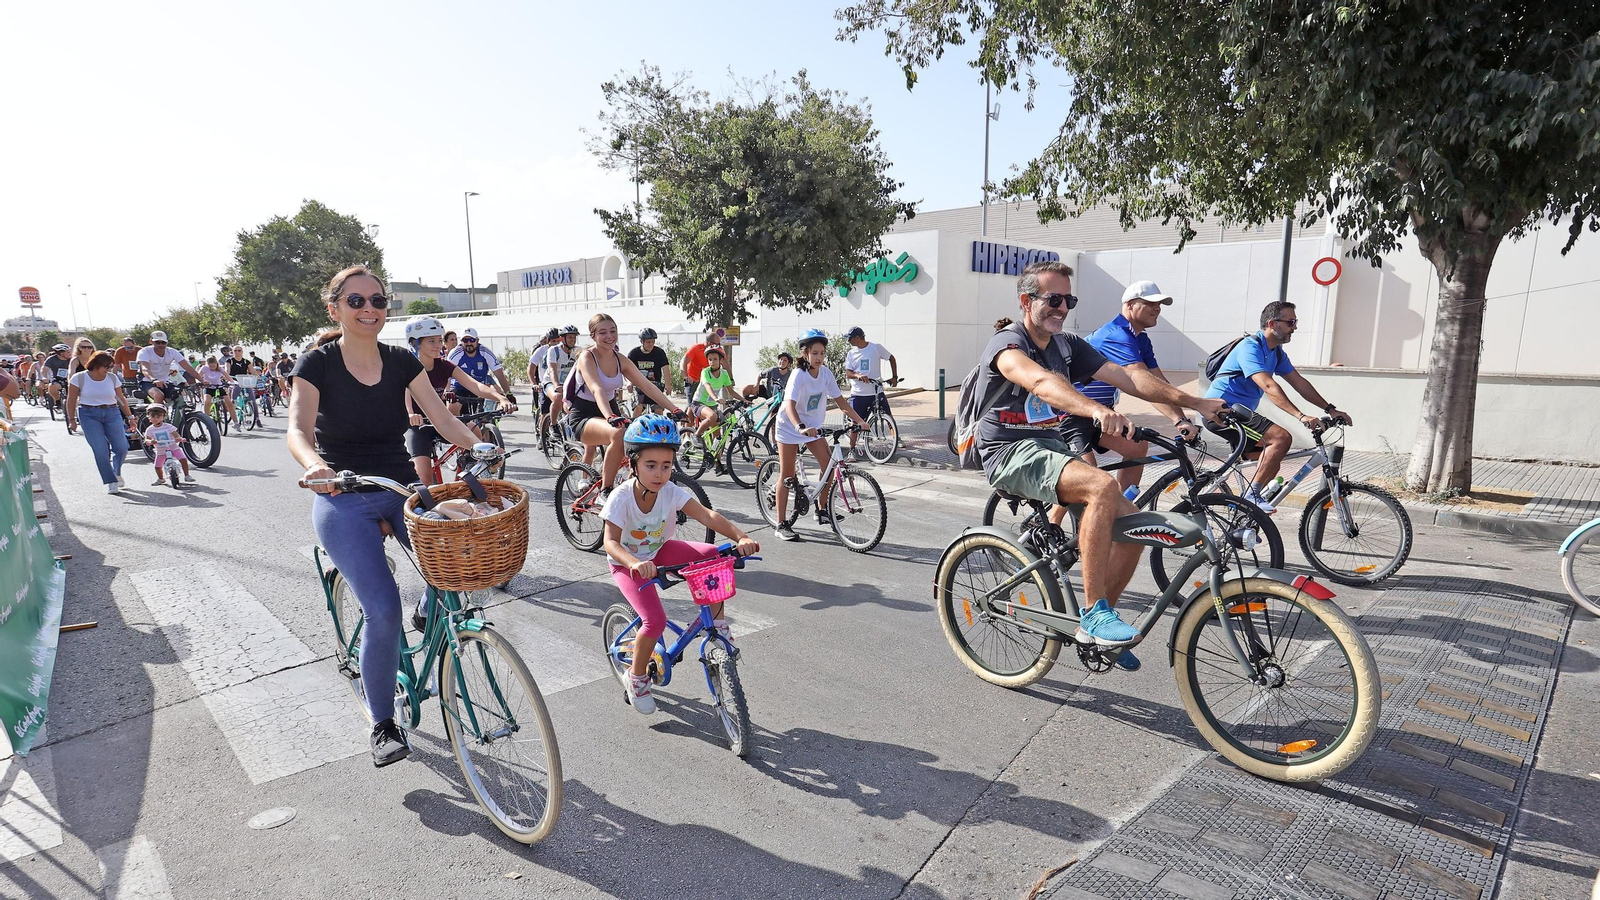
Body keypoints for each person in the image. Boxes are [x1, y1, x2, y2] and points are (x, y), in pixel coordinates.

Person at [975, 261, 1224, 668]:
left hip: (1051, 447)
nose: (1062, 307)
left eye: (1068, 300)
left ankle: (1097, 628)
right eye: (1053, 299)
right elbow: (1040, 382)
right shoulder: (1008, 344)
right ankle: (1093, 614)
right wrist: (1094, 409)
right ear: (1026, 301)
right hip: (1008, 450)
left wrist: (1196, 403)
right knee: (1102, 486)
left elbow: (1129, 378)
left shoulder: (1068, 345)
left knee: (1134, 529)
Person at [288, 265, 485, 768]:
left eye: (377, 300)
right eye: (356, 301)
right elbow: (297, 431)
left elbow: (442, 419)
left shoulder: (401, 361)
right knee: (382, 610)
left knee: (456, 562)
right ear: (335, 308)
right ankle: (383, 724)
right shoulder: (317, 363)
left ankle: (430, 605)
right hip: (343, 493)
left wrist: (479, 446)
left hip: (402, 487)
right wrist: (317, 468)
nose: (369, 309)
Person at [602, 415, 760, 715]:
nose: (659, 474)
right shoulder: (621, 498)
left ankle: (718, 624)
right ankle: (636, 679)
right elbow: (610, 542)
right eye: (651, 465)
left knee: (714, 554)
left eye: (666, 465)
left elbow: (707, 515)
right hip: (628, 564)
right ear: (632, 463)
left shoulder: (670, 491)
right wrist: (635, 563)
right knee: (655, 621)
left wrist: (741, 536)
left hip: (660, 551)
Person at [1203, 300, 1352, 512]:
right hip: (1221, 412)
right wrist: (1300, 416)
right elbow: (1268, 385)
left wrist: (1330, 409)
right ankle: (1251, 497)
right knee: (1281, 438)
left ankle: (1243, 512)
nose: (1295, 327)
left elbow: (1299, 383)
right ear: (1272, 324)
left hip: (1240, 414)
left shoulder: (1276, 352)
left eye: (1295, 322)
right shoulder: (1250, 347)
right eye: (1291, 322)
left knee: (1272, 461)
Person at [1075, 281, 1199, 493]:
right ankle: (1052, 524)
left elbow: (1159, 384)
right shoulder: (1116, 334)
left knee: (1137, 447)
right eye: (1150, 303)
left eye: (1160, 304)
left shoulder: (1140, 338)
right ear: (1130, 305)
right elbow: (1142, 385)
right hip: (1070, 413)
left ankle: (1121, 511)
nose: (1157, 308)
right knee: (1087, 483)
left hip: (1101, 414)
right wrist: (1193, 408)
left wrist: (1181, 420)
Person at [565, 314, 684, 501]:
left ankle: (632, 482)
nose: (609, 336)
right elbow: (597, 389)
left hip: (610, 410)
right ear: (593, 335)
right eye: (603, 332)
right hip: (584, 415)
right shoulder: (587, 357)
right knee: (618, 434)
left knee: (643, 437)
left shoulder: (620, 359)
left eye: (613, 331)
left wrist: (674, 408)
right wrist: (610, 416)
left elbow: (647, 386)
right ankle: (606, 490)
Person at [771, 329, 871, 542]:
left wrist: (860, 421)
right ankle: (781, 523)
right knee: (787, 475)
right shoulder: (799, 374)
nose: (819, 357)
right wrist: (799, 426)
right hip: (790, 427)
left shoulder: (825, 374)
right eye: (815, 353)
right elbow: (789, 404)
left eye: (822, 353)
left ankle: (821, 509)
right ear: (805, 353)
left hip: (813, 427)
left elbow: (841, 402)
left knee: (829, 465)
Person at [404, 316, 511, 485]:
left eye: (439, 340)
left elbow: (475, 385)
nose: (438, 345)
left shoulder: (444, 365)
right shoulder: (409, 365)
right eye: (431, 341)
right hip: (418, 426)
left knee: (473, 429)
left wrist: (501, 397)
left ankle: (468, 464)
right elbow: (406, 392)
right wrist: (411, 413)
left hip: (441, 422)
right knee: (423, 480)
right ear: (415, 343)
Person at [66, 351, 137, 493]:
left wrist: (130, 417)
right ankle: (111, 481)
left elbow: (121, 398)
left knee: (122, 447)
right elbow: (71, 399)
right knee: (100, 450)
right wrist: (72, 420)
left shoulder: (112, 378)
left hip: (112, 412)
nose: (109, 369)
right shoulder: (79, 378)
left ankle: (116, 472)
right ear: (96, 364)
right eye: (106, 366)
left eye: (110, 366)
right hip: (88, 414)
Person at [842, 326, 899, 458]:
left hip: (876, 391)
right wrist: (858, 376)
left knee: (888, 416)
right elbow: (848, 373)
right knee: (855, 423)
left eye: (849, 338)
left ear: (857, 337)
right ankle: (852, 450)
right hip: (859, 393)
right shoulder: (851, 353)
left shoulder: (875, 347)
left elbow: (891, 358)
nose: (848, 341)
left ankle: (896, 439)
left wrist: (894, 376)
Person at [447, 327, 515, 410]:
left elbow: (499, 374)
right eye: (465, 340)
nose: (469, 343)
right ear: (461, 342)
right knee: (453, 408)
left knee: (481, 417)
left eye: (472, 340)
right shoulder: (456, 353)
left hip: (478, 389)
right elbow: (446, 374)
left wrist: (508, 393)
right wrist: (447, 391)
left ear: (477, 340)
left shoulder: (485, 352)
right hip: (459, 388)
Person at [136, 331, 198, 405]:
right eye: (157, 342)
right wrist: (154, 379)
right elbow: (145, 369)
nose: (160, 345)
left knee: (178, 397)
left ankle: (173, 415)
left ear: (167, 342)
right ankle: (156, 415)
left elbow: (187, 367)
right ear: (151, 341)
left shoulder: (172, 352)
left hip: (165, 381)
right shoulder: (144, 352)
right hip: (147, 381)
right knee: (159, 396)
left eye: (163, 342)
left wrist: (202, 380)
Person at [541, 325, 580, 441]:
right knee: (558, 397)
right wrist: (557, 385)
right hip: (551, 382)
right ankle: (553, 426)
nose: (573, 340)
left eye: (574, 337)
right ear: (562, 339)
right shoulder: (554, 350)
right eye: (570, 337)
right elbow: (552, 370)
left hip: (569, 384)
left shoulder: (578, 350)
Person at [691, 347, 736, 438]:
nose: (712, 362)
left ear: (721, 360)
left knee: (717, 437)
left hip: (712, 405)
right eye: (710, 359)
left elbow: (732, 391)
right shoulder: (705, 372)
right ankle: (697, 435)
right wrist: (716, 398)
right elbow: (708, 386)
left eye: (715, 359)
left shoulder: (724, 374)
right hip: (699, 403)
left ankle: (715, 452)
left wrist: (744, 400)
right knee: (712, 416)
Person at [142, 404, 193, 484]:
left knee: (183, 459)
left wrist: (179, 438)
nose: (155, 419)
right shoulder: (150, 429)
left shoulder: (168, 426)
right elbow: (146, 439)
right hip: (160, 450)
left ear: (163, 417)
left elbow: (175, 434)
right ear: (149, 418)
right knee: (157, 466)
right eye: (153, 417)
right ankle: (161, 478)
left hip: (173, 447)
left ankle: (187, 475)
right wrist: (150, 441)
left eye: (158, 417)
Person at [627, 328, 671, 412]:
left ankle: (658, 425)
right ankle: (636, 424)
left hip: (655, 386)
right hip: (639, 386)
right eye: (648, 342)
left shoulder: (659, 352)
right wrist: (629, 383)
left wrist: (668, 384)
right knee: (638, 408)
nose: (651, 344)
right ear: (641, 341)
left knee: (658, 410)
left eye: (653, 342)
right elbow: (627, 370)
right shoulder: (634, 353)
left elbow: (666, 369)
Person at [680, 331, 723, 412]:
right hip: (693, 380)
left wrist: (730, 378)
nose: (719, 346)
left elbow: (725, 363)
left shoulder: (717, 351)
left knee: (707, 406)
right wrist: (686, 377)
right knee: (691, 406)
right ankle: (687, 423)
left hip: (705, 381)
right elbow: (684, 361)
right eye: (717, 344)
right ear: (710, 343)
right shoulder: (696, 348)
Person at [43, 344, 74, 410]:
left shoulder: (73, 359)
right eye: (68, 352)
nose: (70, 353)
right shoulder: (51, 359)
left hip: (71, 378)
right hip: (58, 379)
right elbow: (44, 369)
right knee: (52, 387)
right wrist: (44, 377)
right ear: (61, 353)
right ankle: (58, 402)